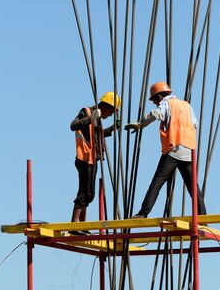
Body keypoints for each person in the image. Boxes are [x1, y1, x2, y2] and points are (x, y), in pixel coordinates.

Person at [124, 82, 206, 218]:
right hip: (189, 151)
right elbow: (195, 124)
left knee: (157, 181)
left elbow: (156, 114)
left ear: (160, 96)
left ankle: (143, 213)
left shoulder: (167, 104)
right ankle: (203, 217)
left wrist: (140, 124)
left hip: (174, 149)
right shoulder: (187, 105)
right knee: (193, 187)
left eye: (155, 100)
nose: (155, 103)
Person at [70, 92, 120, 225]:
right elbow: (73, 125)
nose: (110, 115)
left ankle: (82, 224)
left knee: (89, 194)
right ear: (105, 107)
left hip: (92, 159)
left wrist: (112, 129)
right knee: (84, 192)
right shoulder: (87, 112)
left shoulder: (97, 119)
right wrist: (90, 118)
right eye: (111, 112)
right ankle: (74, 224)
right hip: (84, 158)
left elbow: (98, 135)